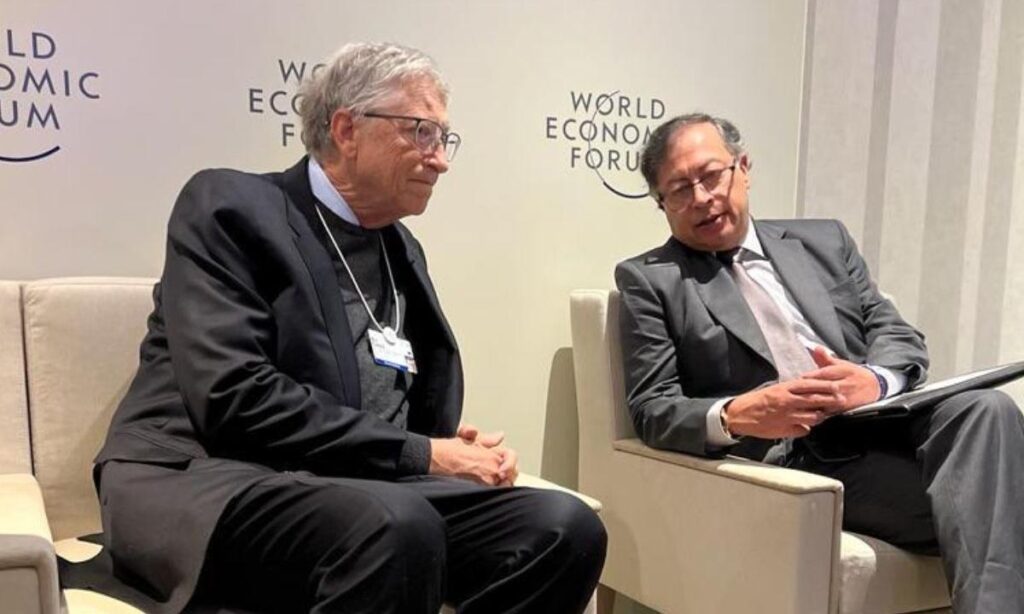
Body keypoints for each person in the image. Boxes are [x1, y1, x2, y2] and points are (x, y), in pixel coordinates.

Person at [94, 42, 605, 613]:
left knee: (564, 527)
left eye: (443, 138)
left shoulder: (400, 248)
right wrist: (424, 456)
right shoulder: (230, 205)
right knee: (395, 524)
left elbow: (399, 392)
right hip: (205, 476)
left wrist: (448, 447)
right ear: (346, 129)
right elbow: (234, 396)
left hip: (356, 486)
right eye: (422, 133)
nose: (441, 159)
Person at [615, 112, 1023, 613]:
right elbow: (653, 407)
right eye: (679, 189)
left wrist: (872, 380)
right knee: (999, 499)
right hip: (800, 458)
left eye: (710, 175)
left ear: (743, 168)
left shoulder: (824, 241)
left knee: (988, 410)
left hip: (882, 427)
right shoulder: (651, 280)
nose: (701, 197)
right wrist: (735, 414)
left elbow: (895, 333)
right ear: (662, 205)